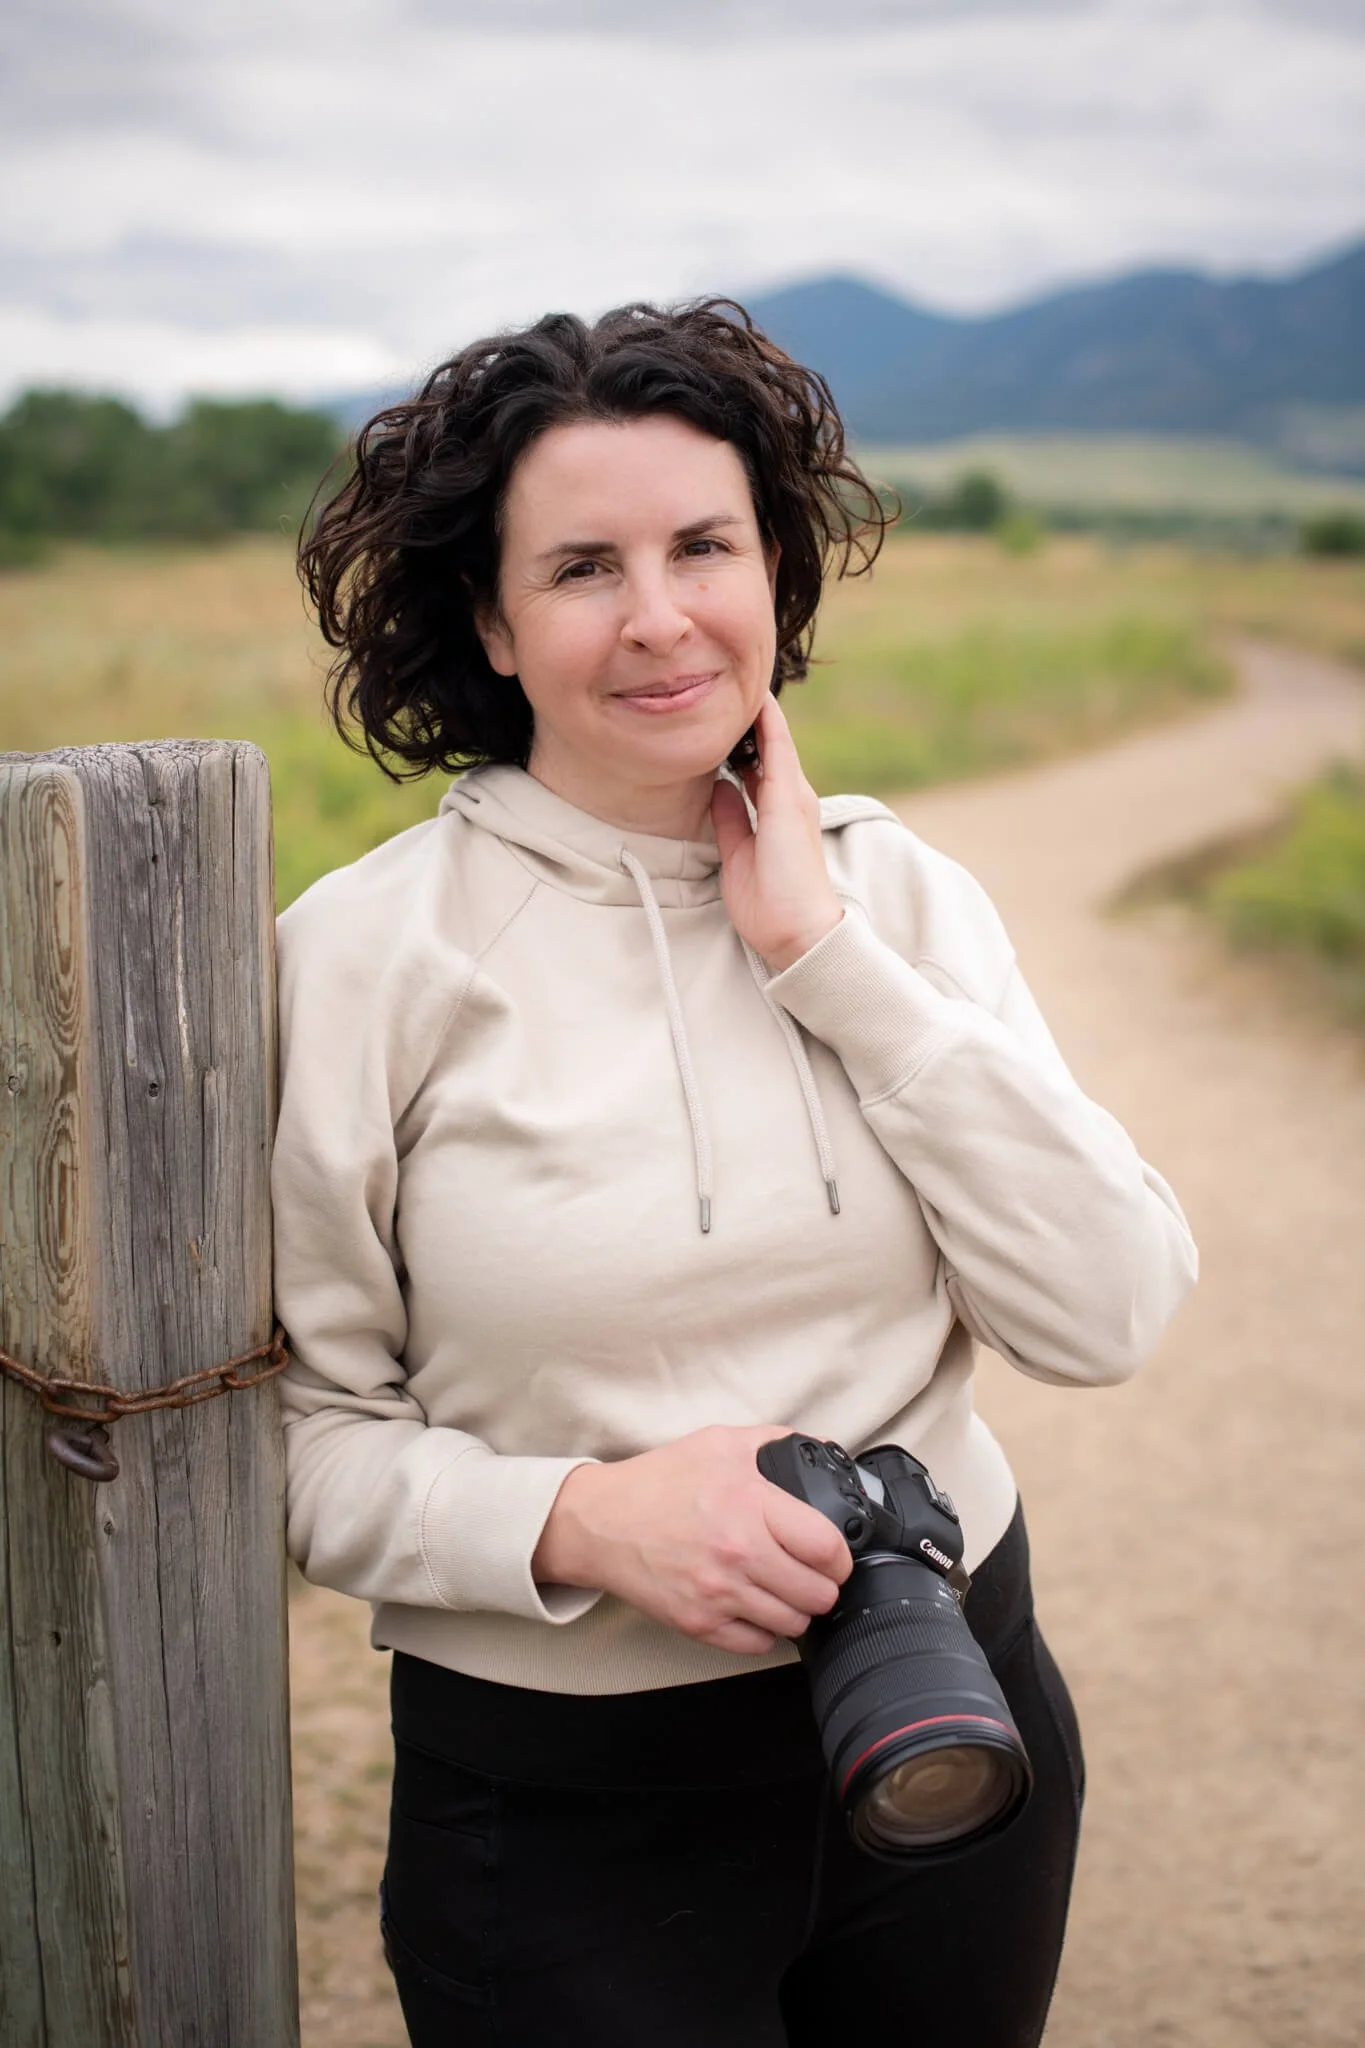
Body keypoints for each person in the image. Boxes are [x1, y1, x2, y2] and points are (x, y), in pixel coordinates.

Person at [275, 300, 1198, 2048]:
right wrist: (575, 1519)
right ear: (490, 617)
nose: (660, 617)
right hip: (564, 1811)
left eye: (705, 544)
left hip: (954, 1715)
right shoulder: (360, 961)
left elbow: (1111, 1309)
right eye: (582, 567)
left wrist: (825, 956)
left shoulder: (897, 898)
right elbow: (293, 1438)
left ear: (775, 566)